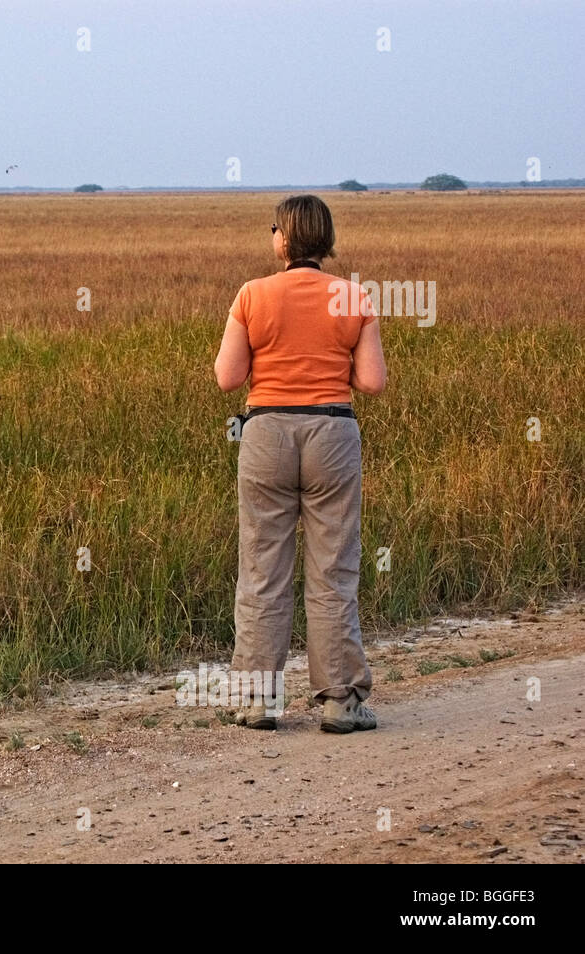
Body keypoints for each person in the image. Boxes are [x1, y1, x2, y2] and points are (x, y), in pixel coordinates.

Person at [213, 195, 387, 733]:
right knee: (333, 569)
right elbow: (372, 382)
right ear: (326, 239)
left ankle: (256, 700)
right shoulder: (353, 297)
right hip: (332, 432)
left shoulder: (252, 295)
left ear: (283, 240)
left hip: (266, 432)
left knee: (263, 568)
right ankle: (340, 701)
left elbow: (228, 377)